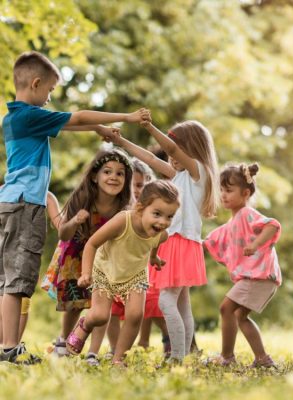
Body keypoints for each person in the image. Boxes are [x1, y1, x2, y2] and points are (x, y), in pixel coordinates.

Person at [0, 50, 150, 364]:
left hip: (11, 204)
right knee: (17, 282)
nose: (50, 98)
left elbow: (72, 124)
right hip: (25, 205)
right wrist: (127, 117)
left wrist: (97, 131)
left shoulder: (15, 118)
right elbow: (78, 116)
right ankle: (9, 347)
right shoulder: (29, 115)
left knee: (9, 280)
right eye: (50, 91)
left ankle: (7, 345)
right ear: (36, 84)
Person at [111, 119, 219, 363]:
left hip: (181, 243)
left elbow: (170, 150)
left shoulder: (198, 172)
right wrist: (121, 142)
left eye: (178, 148)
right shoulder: (180, 175)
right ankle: (184, 355)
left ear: (192, 148)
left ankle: (177, 357)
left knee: (165, 300)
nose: (172, 156)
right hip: (175, 243)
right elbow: (151, 159)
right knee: (182, 305)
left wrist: (149, 126)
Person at [66, 180, 180, 366]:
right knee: (101, 315)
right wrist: (86, 273)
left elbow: (155, 243)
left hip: (135, 275)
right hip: (105, 270)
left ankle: (119, 359)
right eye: (157, 214)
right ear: (140, 208)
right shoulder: (123, 220)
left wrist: (153, 258)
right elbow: (92, 244)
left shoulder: (162, 234)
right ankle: (84, 324)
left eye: (169, 216)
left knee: (135, 315)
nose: (163, 222)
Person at [42, 148, 133, 365]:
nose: (113, 177)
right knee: (75, 302)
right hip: (75, 252)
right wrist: (74, 221)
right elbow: (63, 233)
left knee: (102, 304)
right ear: (95, 176)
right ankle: (63, 341)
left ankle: (93, 352)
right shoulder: (83, 197)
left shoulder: (124, 206)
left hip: (105, 257)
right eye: (107, 172)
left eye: (120, 173)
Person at [203, 163, 281, 368]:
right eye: (221, 190)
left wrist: (255, 244)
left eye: (229, 190)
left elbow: (272, 225)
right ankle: (263, 359)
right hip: (259, 277)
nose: (223, 195)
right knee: (239, 315)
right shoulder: (233, 222)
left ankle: (227, 357)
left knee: (226, 308)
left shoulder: (247, 213)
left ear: (245, 193)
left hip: (259, 276)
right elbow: (213, 240)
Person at [105, 159, 171, 358]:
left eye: (140, 185)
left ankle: (167, 338)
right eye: (132, 184)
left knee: (148, 307)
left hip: (139, 268)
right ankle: (115, 348)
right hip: (114, 267)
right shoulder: (117, 208)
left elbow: (159, 235)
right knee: (112, 311)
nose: (135, 190)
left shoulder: (151, 213)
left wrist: (154, 256)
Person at [0, 191, 61, 349]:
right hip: (6, 254)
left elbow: (60, 224)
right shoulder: (6, 192)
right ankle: (9, 347)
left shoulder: (45, 195)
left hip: (23, 256)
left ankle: (11, 346)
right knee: (9, 295)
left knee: (21, 299)